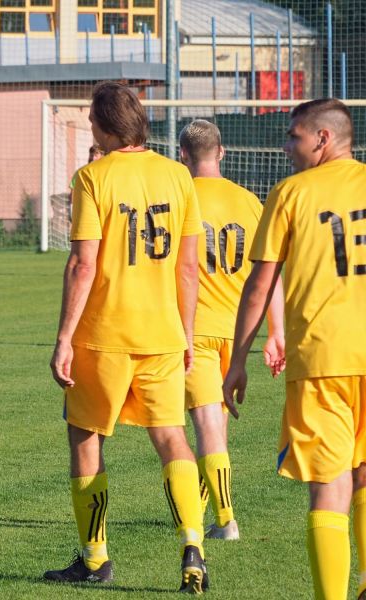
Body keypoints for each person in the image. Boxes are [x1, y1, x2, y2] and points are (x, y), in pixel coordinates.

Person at [47, 82, 209, 593]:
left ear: (103, 126)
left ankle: (95, 559)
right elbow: (188, 268)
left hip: (104, 335)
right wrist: (186, 334)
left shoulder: (93, 178)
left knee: (86, 436)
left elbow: (82, 262)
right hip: (162, 333)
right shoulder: (178, 175)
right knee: (171, 438)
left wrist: (63, 338)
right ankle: (193, 547)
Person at [223, 98, 366, 600]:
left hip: (323, 359)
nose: (286, 147)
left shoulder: (291, 193)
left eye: (293, 136)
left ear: (323, 139)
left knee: (329, 487)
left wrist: (238, 360)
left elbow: (260, 286)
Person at [178, 119, 285, 541]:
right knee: (216, 426)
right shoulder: (250, 202)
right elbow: (269, 273)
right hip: (238, 332)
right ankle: (207, 510)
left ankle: (225, 520)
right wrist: (276, 331)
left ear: (182, 155)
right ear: (222, 153)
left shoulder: (180, 198)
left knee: (205, 424)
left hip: (196, 328)